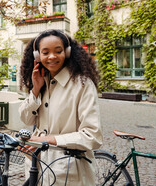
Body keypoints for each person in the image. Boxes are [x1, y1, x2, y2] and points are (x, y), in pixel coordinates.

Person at [19, 29, 103, 185]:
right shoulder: (41, 81)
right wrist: (36, 90)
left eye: (58, 51)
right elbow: (26, 118)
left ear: (68, 52)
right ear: (38, 56)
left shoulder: (82, 84)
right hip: (37, 167)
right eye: (45, 52)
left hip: (69, 173)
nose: (52, 56)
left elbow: (93, 136)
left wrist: (47, 140)